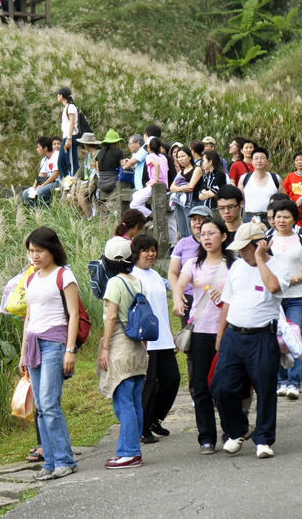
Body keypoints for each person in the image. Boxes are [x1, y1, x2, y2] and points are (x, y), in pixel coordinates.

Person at [212, 222, 290, 459]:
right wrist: (220, 335)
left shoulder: (278, 267)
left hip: (262, 337)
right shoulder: (236, 266)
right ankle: (238, 429)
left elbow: (274, 287)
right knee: (220, 386)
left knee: (265, 389)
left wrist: (260, 259)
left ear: (259, 245)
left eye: (245, 249)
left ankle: (264, 439)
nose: (241, 254)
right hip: (234, 336)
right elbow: (227, 301)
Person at [19, 227, 79, 480]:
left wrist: (70, 350)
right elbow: (28, 317)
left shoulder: (64, 275)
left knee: (49, 404)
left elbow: (74, 315)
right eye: (31, 251)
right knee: (40, 408)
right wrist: (23, 352)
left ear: (52, 249)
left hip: (55, 342)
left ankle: (65, 460)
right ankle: (50, 463)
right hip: (32, 344)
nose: (34, 255)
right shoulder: (31, 278)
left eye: (39, 250)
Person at [173, 216, 234, 453]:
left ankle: (230, 430)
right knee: (200, 386)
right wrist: (178, 301)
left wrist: (228, 292)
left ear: (224, 236)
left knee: (226, 385)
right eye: (203, 234)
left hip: (228, 332)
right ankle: (206, 437)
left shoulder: (234, 265)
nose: (206, 238)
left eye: (211, 233)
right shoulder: (193, 264)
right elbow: (179, 285)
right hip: (200, 332)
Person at [97, 237, 149, 469]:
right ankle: (133, 451)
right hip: (138, 348)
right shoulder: (138, 281)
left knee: (123, 403)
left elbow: (110, 317)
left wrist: (105, 348)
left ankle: (128, 452)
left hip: (121, 346)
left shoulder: (114, 283)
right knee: (135, 402)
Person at [131, 235, 180, 445]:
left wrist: (170, 333)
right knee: (149, 383)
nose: (151, 254)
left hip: (163, 338)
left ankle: (153, 419)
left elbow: (162, 308)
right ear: (136, 252)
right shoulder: (131, 276)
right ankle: (142, 428)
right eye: (146, 250)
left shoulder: (157, 276)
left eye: (153, 250)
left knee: (172, 379)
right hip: (145, 340)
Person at [270, 200, 302, 400]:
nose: (282, 220)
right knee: (275, 339)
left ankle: (294, 381)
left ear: (294, 219)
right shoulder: (267, 239)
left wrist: (293, 280)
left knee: (296, 336)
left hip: (297, 295)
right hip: (273, 298)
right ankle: (280, 381)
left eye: (286, 216)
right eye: (278, 216)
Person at [240, 146, 281, 225]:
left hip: (271, 219)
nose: (259, 161)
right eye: (256, 158)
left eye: (262, 158)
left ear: (267, 161)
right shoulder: (244, 178)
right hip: (250, 218)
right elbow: (238, 200)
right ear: (252, 161)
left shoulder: (276, 178)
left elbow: (283, 200)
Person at [128, 138, 168, 218]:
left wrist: (156, 180)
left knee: (133, 205)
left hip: (153, 185)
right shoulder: (163, 157)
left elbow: (156, 164)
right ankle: (144, 216)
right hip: (164, 185)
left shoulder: (149, 156)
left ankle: (152, 215)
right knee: (135, 195)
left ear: (149, 147)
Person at [24, 137, 59, 205]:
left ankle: (46, 210)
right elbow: (40, 176)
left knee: (41, 191)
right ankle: (35, 212)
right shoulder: (44, 160)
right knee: (25, 193)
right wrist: (34, 185)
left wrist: (42, 185)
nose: (37, 150)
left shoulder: (57, 155)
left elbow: (55, 174)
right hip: (48, 183)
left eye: (39, 147)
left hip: (58, 182)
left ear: (45, 148)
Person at [56, 87, 79, 179]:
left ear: (61, 96)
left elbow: (72, 123)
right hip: (66, 137)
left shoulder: (71, 107)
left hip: (71, 136)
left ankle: (74, 180)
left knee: (71, 161)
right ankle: (65, 181)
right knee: (61, 160)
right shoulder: (66, 107)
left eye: (58, 95)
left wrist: (69, 138)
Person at [96, 130, 126, 195]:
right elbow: (123, 167)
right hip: (113, 184)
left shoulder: (100, 153)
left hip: (101, 184)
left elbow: (98, 169)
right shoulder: (119, 152)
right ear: (116, 143)